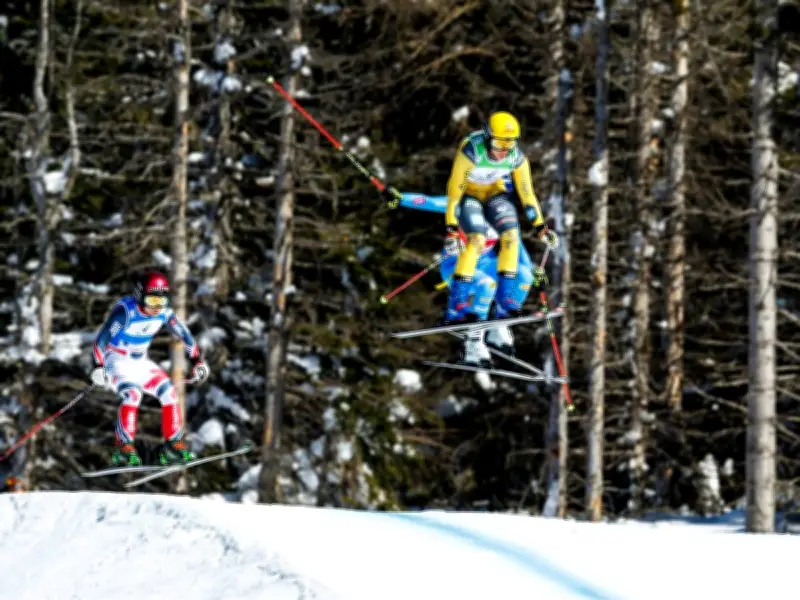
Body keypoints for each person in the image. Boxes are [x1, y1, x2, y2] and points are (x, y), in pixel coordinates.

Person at [392, 192, 548, 366]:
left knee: (523, 274)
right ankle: (473, 343)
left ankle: (499, 325)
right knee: (487, 285)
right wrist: (399, 198)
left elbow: (520, 255)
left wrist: (535, 274)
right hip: (457, 268)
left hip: (486, 265)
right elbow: (428, 201)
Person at [90, 270, 210, 467]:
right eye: (152, 301)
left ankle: (172, 446)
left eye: (161, 302)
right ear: (139, 296)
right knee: (133, 395)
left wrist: (198, 360)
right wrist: (98, 365)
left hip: (140, 363)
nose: (157, 307)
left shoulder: (164, 313)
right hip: (117, 362)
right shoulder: (125, 313)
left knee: (169, 393)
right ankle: (123, 447)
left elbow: (185, 335)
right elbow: (102, 339)